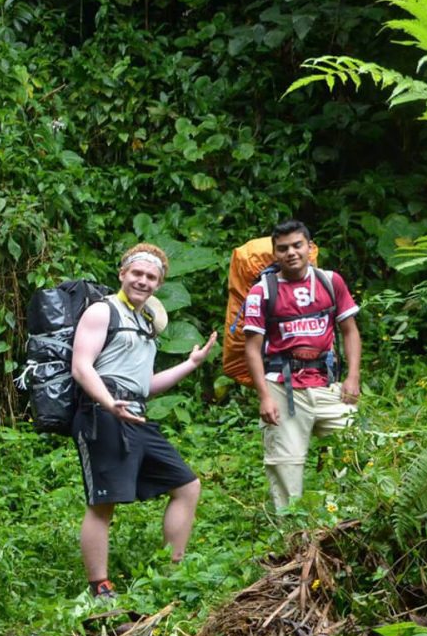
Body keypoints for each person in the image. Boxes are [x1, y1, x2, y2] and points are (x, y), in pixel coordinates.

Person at [70, 243, 217, 599]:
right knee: (103, 502)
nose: (143, 281)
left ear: (159, 284)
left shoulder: (146, 322)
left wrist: (190, 364)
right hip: (101, 413)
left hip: (135, 412)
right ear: (122, 274)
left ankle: (173, 573)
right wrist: (108, 403)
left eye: (151, 277)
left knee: (187, 486)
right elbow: (81, 367)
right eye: (137, 273)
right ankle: (100, 588)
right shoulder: (102, 311)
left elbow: (145, 385)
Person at [241, 219, 362, 510]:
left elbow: (350, 330)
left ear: (310, 247)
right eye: (283, 248)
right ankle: (290, 529)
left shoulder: (330, 281)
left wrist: (353, 377)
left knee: (356, 448)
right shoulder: (262, 292)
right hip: (282, 386)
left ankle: (350, 517)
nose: (291, 253)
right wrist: (264, 396)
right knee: (285, 464)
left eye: (297, 245)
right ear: (275, 253)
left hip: (328, 383)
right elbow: (252, 348)